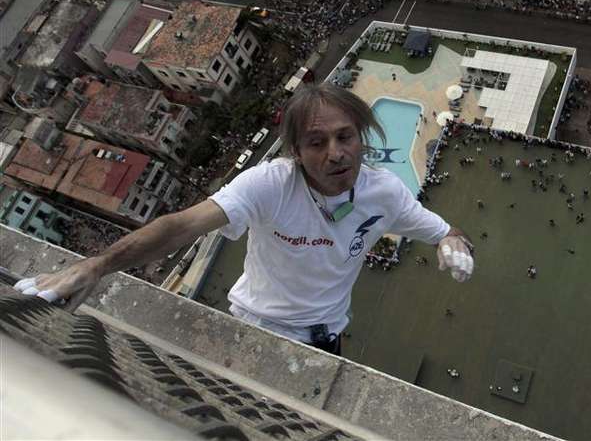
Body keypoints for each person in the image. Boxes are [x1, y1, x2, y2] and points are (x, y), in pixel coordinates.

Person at [13, 83, 475, 356]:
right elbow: (180, 225)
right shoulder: (270, 184)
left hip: (329, 334)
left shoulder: (385, 193)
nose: (336, 153)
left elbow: (445, 231)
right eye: (316, 142)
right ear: (295, 151)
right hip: (256, 325)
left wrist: (454, 245)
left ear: (361, 137)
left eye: (345, 136)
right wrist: (95, 265)